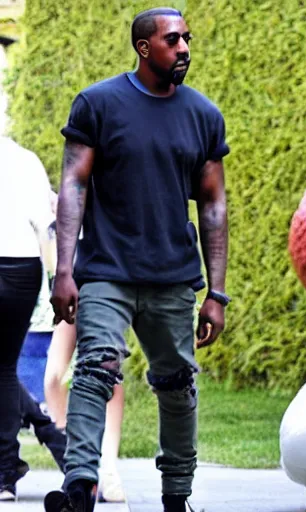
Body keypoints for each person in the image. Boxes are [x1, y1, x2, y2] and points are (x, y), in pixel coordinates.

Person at [44, 6, 231, 512]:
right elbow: (73, 185)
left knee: (177, 385)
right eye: (174, 40)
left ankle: (177, 494)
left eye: (188, 38)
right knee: (96, 369)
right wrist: (64, 270)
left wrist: (216, 293)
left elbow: (213, 205)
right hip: (107, 270)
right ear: (145, 47)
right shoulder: (98, 104)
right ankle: (80, 484)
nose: (185, 48)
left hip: (173, 278)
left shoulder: (203, 115)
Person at [0, 136, 66, 500]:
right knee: (5, 367)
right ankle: (50, 440)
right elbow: (47, 227)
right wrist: (58, 281)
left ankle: (6, 473)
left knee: (3, 369)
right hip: (23, 268)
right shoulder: (25, 159)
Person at [44, 320, 126, 502]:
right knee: (54, 378)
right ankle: (74, 458)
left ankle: (108, 470)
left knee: (108, 369)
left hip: (105, 297)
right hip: (59, 303)